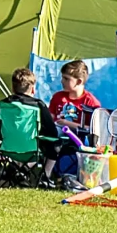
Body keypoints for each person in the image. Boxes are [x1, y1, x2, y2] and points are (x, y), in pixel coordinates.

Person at [45, 60, 102, 188]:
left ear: (79, 82)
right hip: (56, 134)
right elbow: (50, 118)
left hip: (79, 138)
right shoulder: (58, 97)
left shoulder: (91, 102)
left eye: (66, 78)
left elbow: (93, 130)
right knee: (48, 135)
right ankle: (43, 173)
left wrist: (68, 124)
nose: (62, 81)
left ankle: (49, 174)